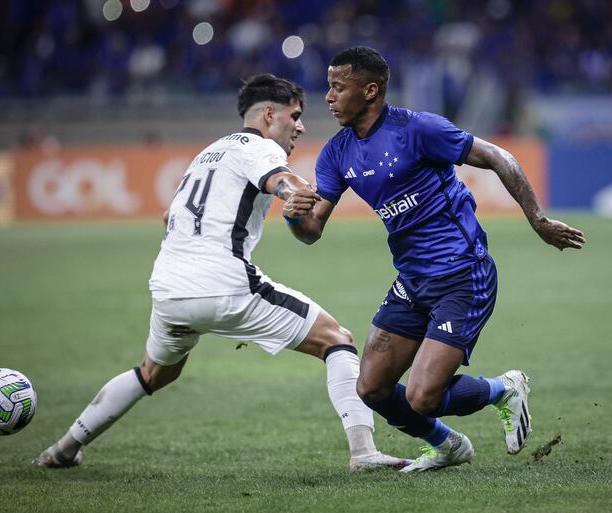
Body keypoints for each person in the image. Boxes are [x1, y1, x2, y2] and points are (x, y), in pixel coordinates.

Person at [33, 74, 410, 472]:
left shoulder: (207, 154)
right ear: (269, 114)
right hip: (224, 285)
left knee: (152, 373)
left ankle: (62, 449)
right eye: (294, 116)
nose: (300, 126)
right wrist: (296, 190)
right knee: (336, 340)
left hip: (169, 291)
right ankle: (365, 453)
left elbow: (169, 216)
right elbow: (279, 179)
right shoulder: (258, 147)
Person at [284, 47, 586, 472]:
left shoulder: (418, 130)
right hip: (412, 279)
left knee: (422, 397)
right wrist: (293, 215)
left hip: (463, 273)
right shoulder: (336, 153)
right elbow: (311, 232)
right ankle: (445, 445)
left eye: (338, 87)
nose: (329, 97)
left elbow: (500, 157)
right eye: (329, 87)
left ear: (370, 91)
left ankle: (503, 389)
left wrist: (536, 220)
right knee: (370, 387)